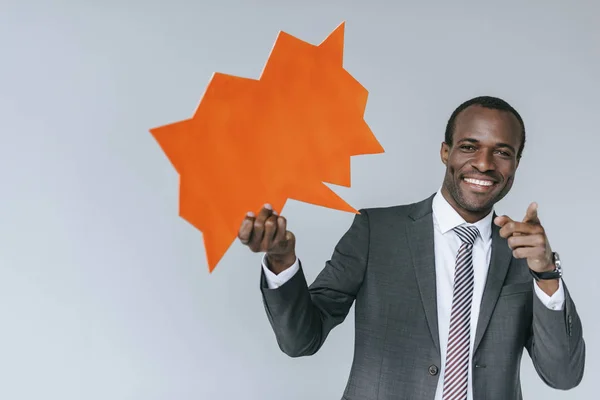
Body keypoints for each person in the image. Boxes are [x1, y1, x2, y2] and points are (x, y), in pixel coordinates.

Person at [237, 96, 585, 400]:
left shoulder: (525, 255)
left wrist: (546, 274)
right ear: (445, 151)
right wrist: (281, 261)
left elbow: (563, 375)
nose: (484, 163)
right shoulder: (377, 231)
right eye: (469, 146)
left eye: (502, 152)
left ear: (516, 165)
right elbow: (301, 340)